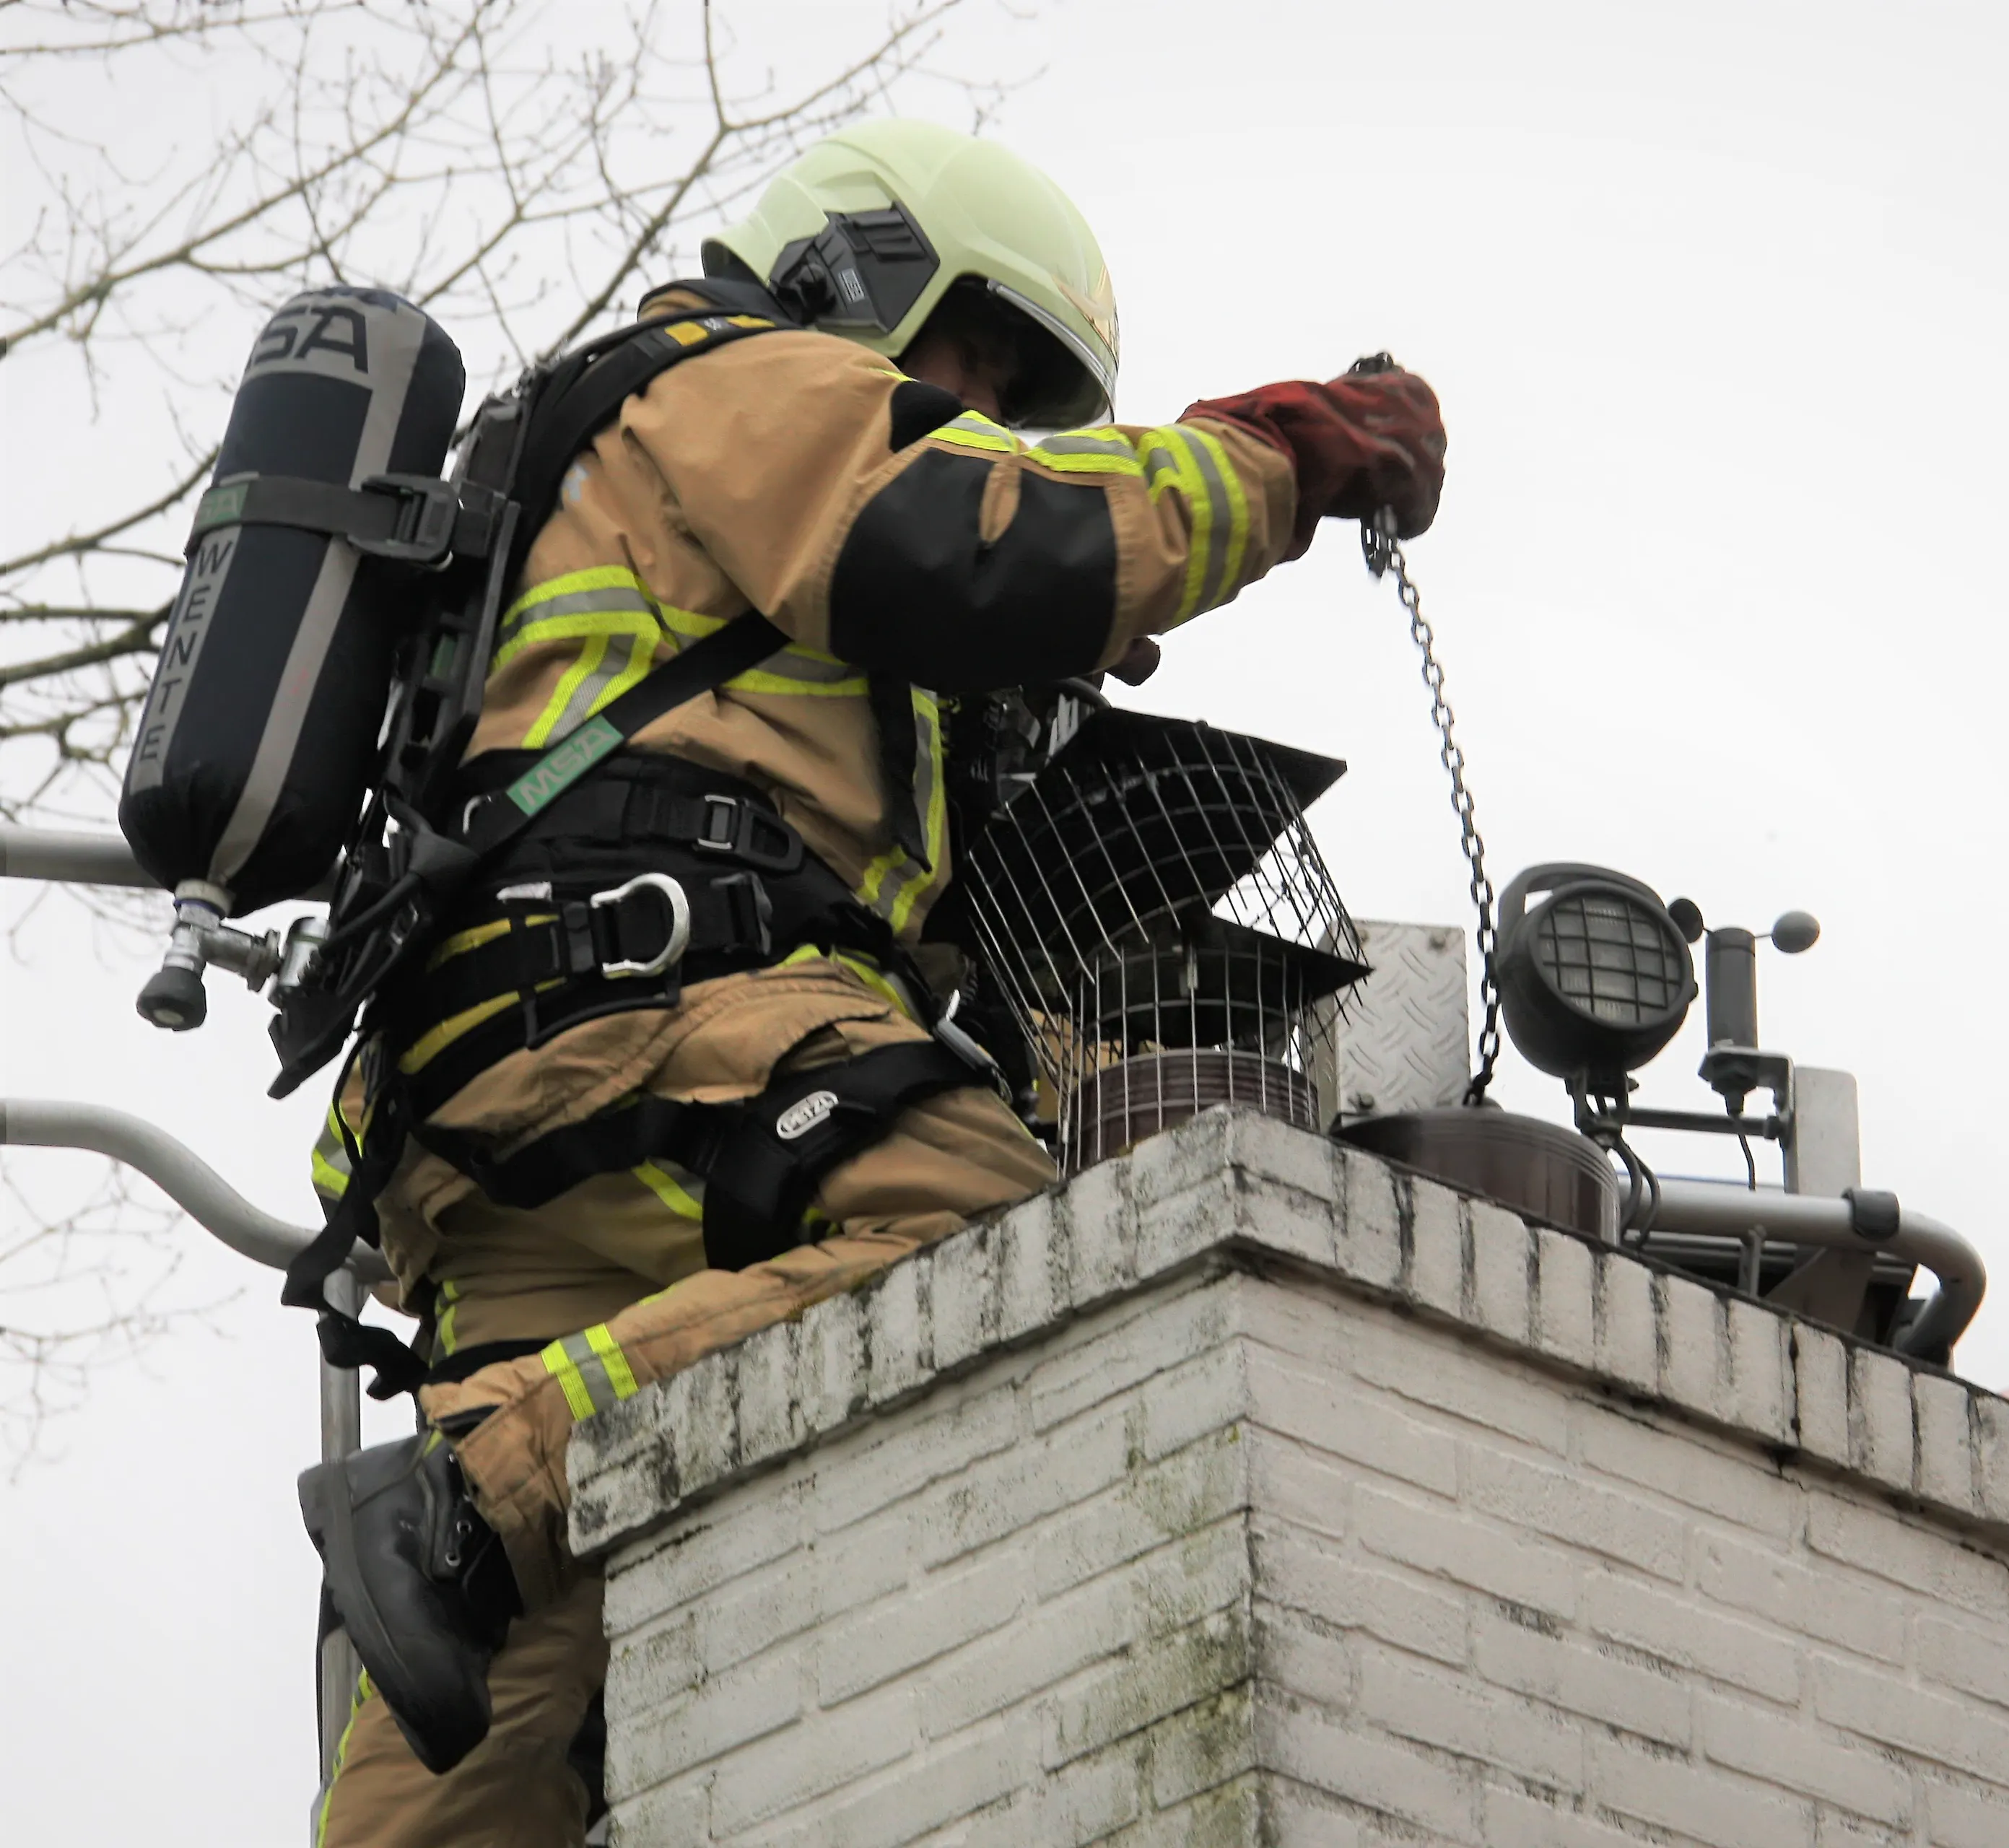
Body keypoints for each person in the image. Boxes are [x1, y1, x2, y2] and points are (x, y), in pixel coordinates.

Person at [297, 117, 1445, 1847]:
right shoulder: (746, 378)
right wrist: (1278, 453)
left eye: (1010, 393)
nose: (977, 406)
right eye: (972, 354)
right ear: (853, 274)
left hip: (499, 1091)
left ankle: (481, 1511)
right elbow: (994, 544)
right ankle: (477, 1488)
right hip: (656, 1004)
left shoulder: (619, 491)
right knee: (987, 1231)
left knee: (512, 1654)